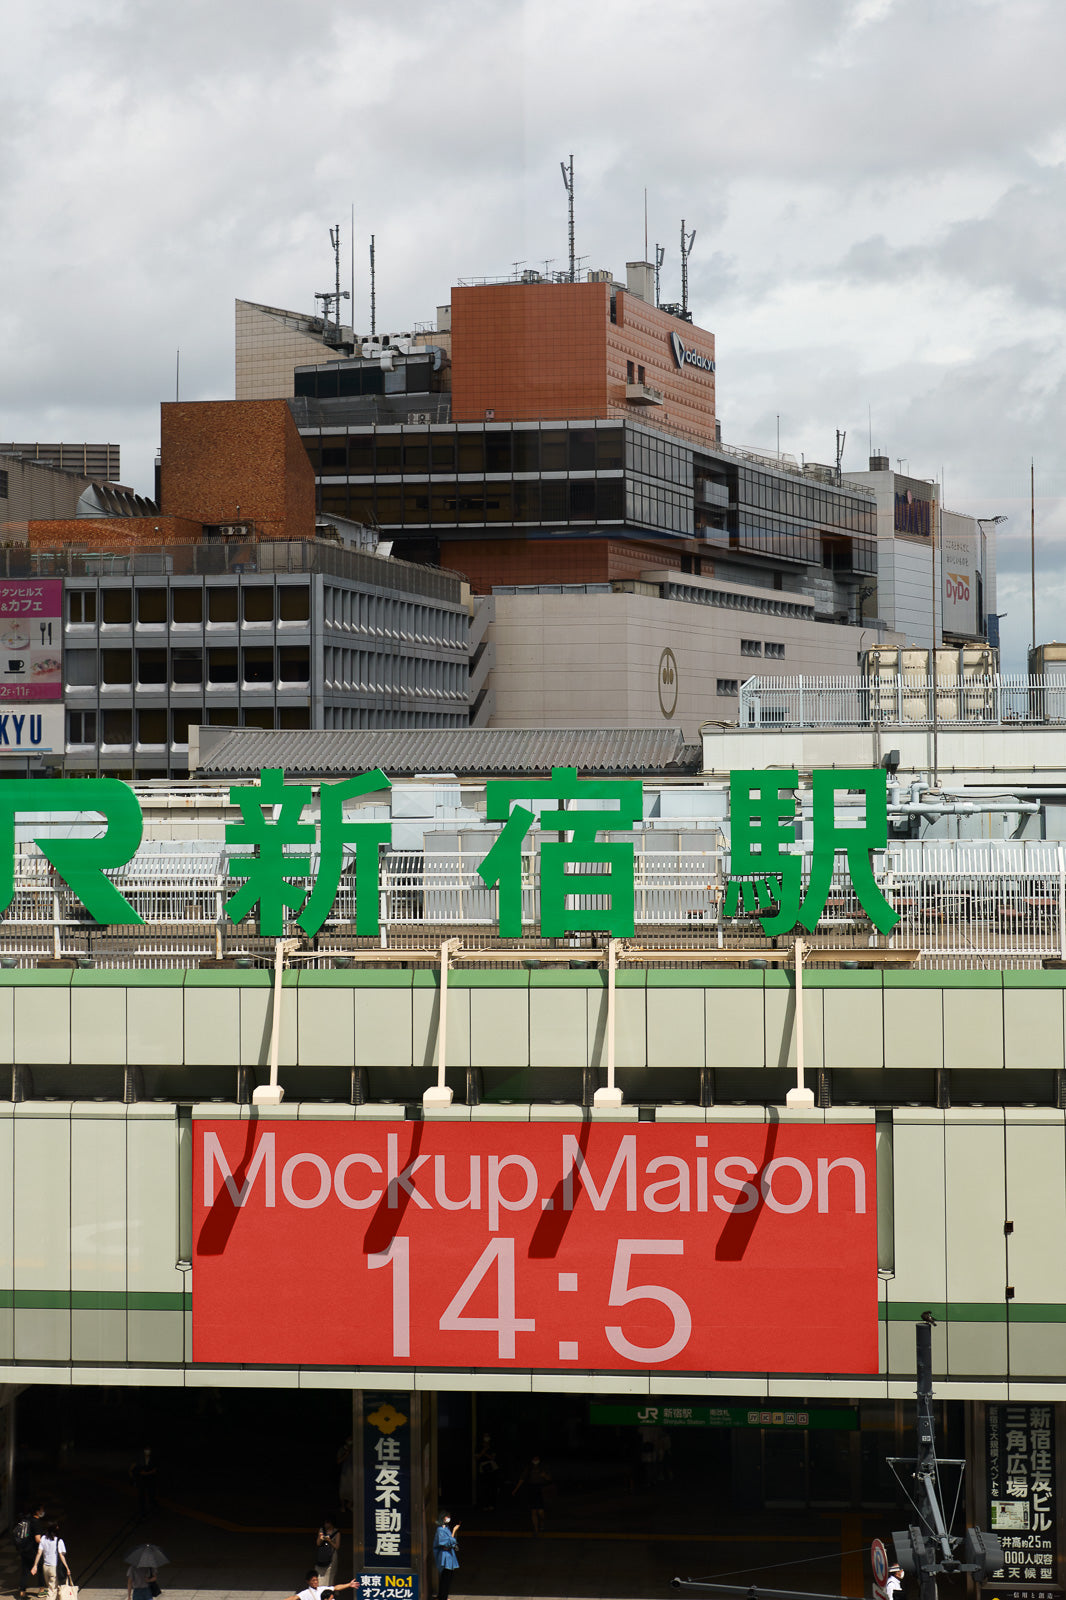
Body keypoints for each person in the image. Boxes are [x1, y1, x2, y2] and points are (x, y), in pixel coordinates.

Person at [512, 1455, 552, 1536]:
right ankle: (536, 1530)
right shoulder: (529, 1468)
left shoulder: (543, 1467)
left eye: (537, 1458)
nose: (535, 1460)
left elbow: (550, 1479)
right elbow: (522, 1479)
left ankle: (542, 1523)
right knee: (533, 1511)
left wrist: (545, 1476)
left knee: (541, 1512)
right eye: (534, 1458)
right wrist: (515, 1489)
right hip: (532, 1490)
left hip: (540, 1489)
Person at [31, 1523, 71, 1600]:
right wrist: (67, 1568)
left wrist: (35, 1565)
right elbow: (61, 1556)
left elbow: (39, 1553)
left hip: (45, 1567)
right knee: (52, 1590)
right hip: (54, 1568)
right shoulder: (59, 1541)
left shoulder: (43, 1538)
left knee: (52, 1587)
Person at [14, 1503, 45, 1600]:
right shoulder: (36, 1522)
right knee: (41, 1569)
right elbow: (37, 1539)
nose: (43, 1511)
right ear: (37, 1511)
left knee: (25, 1571)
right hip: (33, 1551)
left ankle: (22, 1593)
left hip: (24, 1549)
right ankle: (42, 1590)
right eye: (42, 1509)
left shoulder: (28, 1519)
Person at [433, 1513, 459, 1600]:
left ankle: (443, 1596)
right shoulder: (440, 1530)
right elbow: (447, 1544)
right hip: (445, 1557)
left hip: (449, 1557)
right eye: (446, 1517)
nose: (448, 1518)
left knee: (448, 1578)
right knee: (445, 1578)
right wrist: (454, 1531)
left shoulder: (446, 1528)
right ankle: (442, 1597)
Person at [130, 1448, 158, 1517]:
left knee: (151, 1495)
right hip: (141, 1481)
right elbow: (133, 1469)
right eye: (146, 1450)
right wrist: (135, 1478)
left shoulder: (153, 1459)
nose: (147, 1451)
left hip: (149, 1481)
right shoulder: (139, 1459)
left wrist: (146, 1473)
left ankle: (151, 1509)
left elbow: (155, 1470)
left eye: (148, 1450)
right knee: (141, 1496)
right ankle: (142, 1510)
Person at [475, 1433, 500, 1510]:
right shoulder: (479, 1447)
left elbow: (492, 1457)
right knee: (484, 1488)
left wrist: (484, 1453)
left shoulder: (492, 1447)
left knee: (492, 1487)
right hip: (483, 1469)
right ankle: (484, 1505)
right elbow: (477, 1457)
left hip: (492, 1468)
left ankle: (492, 1504)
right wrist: (484, 1450)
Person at [314, 1520, 340, 1589]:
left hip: (331, 1556)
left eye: (327, 1522)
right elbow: (318, 1543)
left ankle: (330, 1590)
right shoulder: (322, 1530)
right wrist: (320, 1538)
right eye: (325, 1522)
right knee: (319, 1574)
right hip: (322, 1555)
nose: (326, 1524)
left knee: (330, 1576)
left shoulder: (336, 1532)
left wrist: (329, 1540)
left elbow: (337, 1546)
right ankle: (319, 1589)